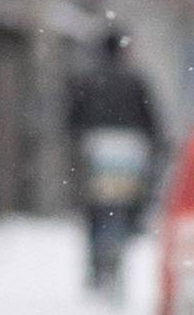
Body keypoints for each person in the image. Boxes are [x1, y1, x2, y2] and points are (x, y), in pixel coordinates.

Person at [64, 27, 165, 300]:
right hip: (130, 151)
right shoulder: (135, 81)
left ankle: (98, 266)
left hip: (95, 148)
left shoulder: (86, 80)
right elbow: (152, 122)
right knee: (119, 208)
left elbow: (72, 120)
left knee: (96, 210)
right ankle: (115, 261)